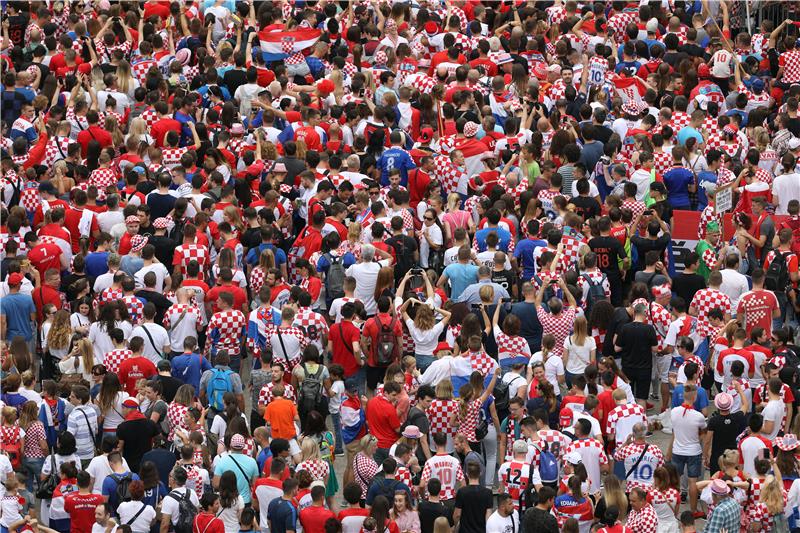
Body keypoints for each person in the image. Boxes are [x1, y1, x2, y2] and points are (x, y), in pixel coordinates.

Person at [452, 463, 493, 533]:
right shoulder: (488, 493)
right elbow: (488, 516)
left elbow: (457, 515)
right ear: (480, 473)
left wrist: (457, 526)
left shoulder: (462, 492)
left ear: (467, 475)